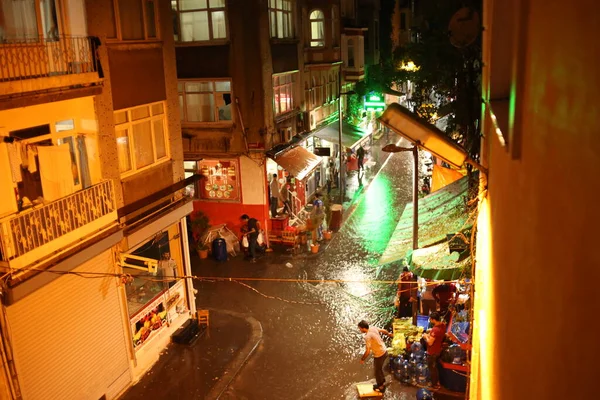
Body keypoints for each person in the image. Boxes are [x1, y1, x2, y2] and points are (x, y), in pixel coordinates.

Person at [358, 320, 393, 393]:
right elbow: (383, 331)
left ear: (363, 328)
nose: (360, 330)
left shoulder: (367, 337)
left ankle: (381, 387)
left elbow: (367, 351)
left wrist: (362, 359)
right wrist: (389, 334)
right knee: (379, 369)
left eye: (360, 328)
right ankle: (382, 381)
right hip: (384, 350)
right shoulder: (373, 328)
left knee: (377, 371)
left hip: (379, 354)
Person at [422, 311, 446, 390]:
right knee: (435, 367)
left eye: (431, 319)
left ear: (433, 320)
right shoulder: (443, 325)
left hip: (432, 351)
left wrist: (425, 336)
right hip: (438, 349)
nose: (430, 321)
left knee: (432, 368)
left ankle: (434, 384)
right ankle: (437, 382)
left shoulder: (435, 330)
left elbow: (430, 343)